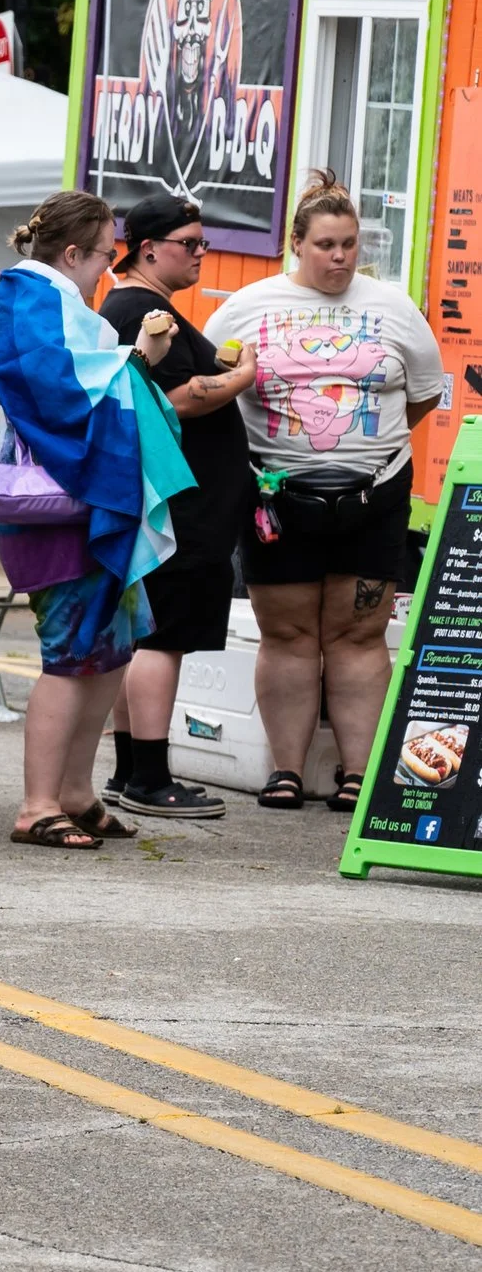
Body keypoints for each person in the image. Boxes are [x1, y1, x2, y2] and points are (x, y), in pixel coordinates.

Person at [205, 172, 444, 814]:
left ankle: (357, 775)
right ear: (297, 244)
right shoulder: (248, 306)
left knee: (358, 634)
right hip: (277, 501)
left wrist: (360, 451)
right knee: (286, 635)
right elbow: (215, 384)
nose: (340, 257)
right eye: (326, 245)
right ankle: (285, 770)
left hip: (375, 496)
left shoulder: (393, 306)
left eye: (349, 244)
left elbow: (423, 392)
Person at [0, 192, 190, 851]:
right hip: (63, 503)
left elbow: (75, 382)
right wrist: (136, 360)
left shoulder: (43, 296)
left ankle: (74, 791)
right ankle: (37, 804)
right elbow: (56, 389)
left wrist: (134, 357)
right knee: (71, 655)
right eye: (105, 255)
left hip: (84, 497)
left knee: (109, 649)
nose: (109, 268)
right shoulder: (33, 295)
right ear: (72, 253)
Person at [99, 194, 254, 819]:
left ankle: (128, 769)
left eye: (203, 243)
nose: (200, 254)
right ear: (147, 249)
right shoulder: (140, 307)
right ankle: (151, 777)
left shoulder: (140, 306)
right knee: (161, 642)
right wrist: (241, 377)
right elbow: (178, 399)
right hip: (178, 507)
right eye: (190, 243)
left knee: (144, 639)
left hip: (171, 503)